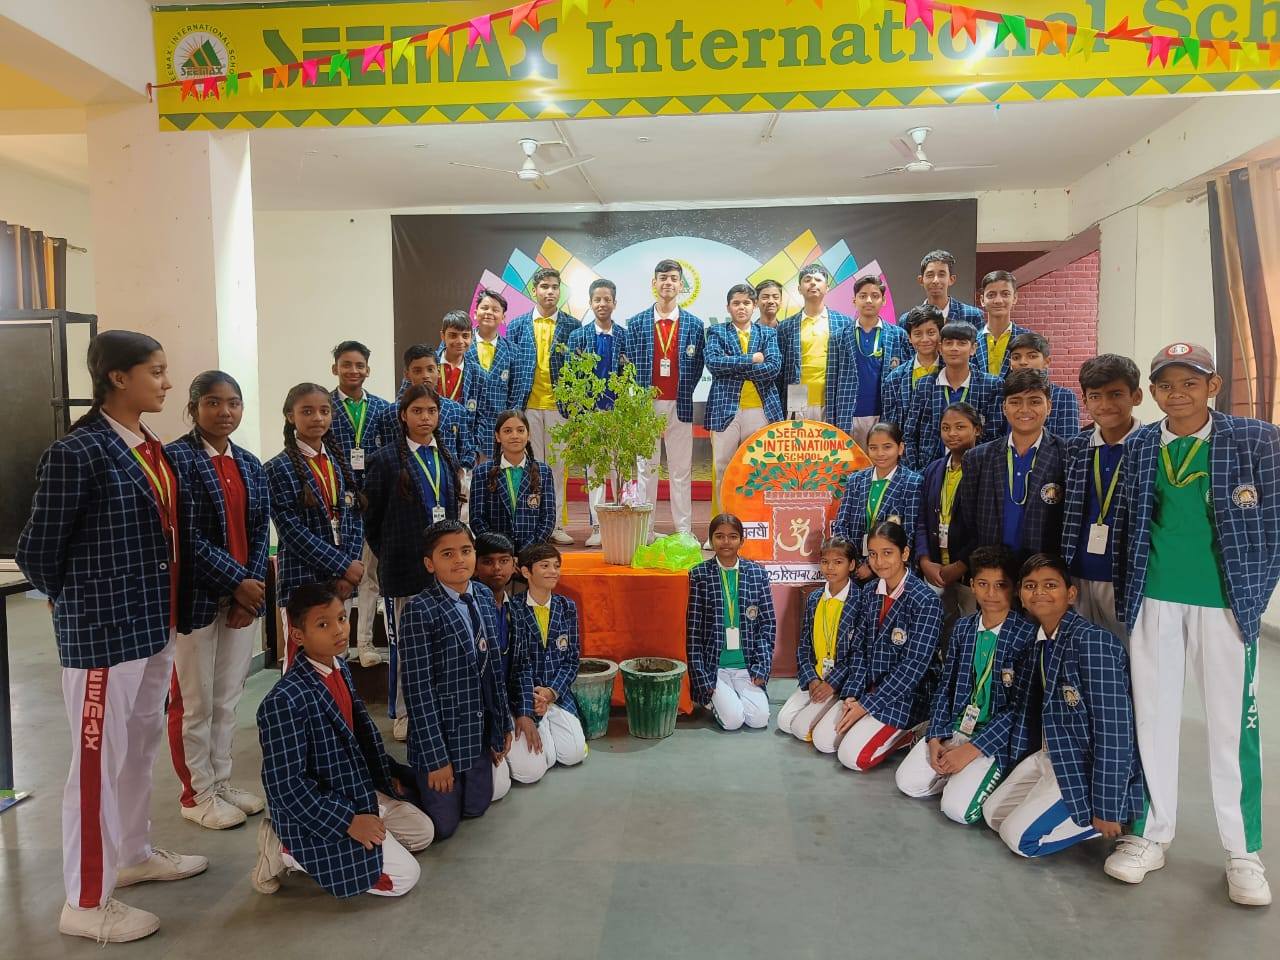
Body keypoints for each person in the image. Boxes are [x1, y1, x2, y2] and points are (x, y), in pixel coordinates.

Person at [17, 330, 207, 943]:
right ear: (118, 378)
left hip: (152, 626)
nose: (167, 383)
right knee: (96, 766)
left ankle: (132, 853)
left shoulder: (149, 447)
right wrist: (77, 604)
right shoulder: (78, 453)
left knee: (137, 749)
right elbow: (36, 552)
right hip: (102, 634)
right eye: (156, 371)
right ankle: (85, 901)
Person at [1107, 342, 1280, 906]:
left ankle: (1243, 851)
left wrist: (1253, 593)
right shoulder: (1140, 445)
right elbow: (1128, 524)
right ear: (1153, 392)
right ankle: (1151, 834)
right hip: (1154, 598)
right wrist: (1129, 596)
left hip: (1224, 602)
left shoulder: (1255, 440)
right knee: (1152, 717)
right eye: (1165, 385)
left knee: (1231, 726)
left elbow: (1275, 524)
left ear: (1213, 386)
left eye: (1189, 383)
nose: (1176, 394)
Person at [252, 583, 433, 899]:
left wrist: (385, 776)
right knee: (405, 877)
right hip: (320, 812)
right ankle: (285, 849)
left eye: (341, 618)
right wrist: (348, 822)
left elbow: (359, 739)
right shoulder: (284, 701)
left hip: (355, 789)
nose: (338, 630)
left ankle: (367, 838)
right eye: (323, 624)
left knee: (422, 833)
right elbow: (286, 787)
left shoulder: (340, 669)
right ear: (298, 636)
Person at [983, 554, 1143, 859]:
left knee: (1021, 840)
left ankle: (1108, 817)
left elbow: (1114, 731)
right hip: (1050, 755)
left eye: (1050, 585)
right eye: (1030, 586)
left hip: (1082, 766)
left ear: (1070, 594)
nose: (1039, 592)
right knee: (993, 815)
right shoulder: (1039, 640)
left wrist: (1107, 807)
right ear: (1021, 596)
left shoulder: (1092, 643)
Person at [165, 371, 270, 830]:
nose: (224, 412)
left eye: (233, 403)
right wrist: (236, 581)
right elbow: (186, 536)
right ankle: (196, 794)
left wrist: (250, 591)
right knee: (195, 702)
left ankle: (221, 781)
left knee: (227, 698)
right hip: (197, 600)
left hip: (241, 600)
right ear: (193, 409)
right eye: (212, 402)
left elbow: (260, 530)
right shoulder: (177, 460)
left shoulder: (248, 463)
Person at [896, 545, 1037, 824]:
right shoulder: (963, 628)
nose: (991, 593)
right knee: (907, 783)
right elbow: (945, 687)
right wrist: (935, 737)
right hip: (957, 727)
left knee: (957, 811)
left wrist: (970, 751)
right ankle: (957, 772)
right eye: (983, 584)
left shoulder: (1028, 636)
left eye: (1000, 585)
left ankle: (976, 775)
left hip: (991, 740)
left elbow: (1020, 710)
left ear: (1015, 588)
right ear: (972, 585)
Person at [397, 521, 513, 840]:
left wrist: (502, 725)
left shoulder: (485, 596)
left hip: (476, 733)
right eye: (447, 554)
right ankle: (396, 778)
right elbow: (418, 691)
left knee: (477, 807)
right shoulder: (420, 610)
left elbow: (494, 669)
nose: (459, 560)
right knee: (443, 826)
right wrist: (437, 760)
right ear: (430, 563)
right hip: (442, 735)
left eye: (465, 551)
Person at [363, 385, 462, 742]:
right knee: (407, 647)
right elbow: (371, 521)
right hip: (404, 569)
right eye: (417, 411)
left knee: (440, 643)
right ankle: (404, 711)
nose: (425, 418)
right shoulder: (385, 460)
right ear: (403, 415)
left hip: (443, 571)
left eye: (431, 411)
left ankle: (436, 708)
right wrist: (393, 552)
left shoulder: (446, 457)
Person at [812, 521, 943, 769]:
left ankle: (910, 732)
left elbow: (913, 668)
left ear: (904, 553)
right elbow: (858, 649)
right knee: (823, 741)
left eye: (887, 553)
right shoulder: (870, 591)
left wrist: (866, 706)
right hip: (867, 688)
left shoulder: (925, 601)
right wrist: (853, 694)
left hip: (906, 695)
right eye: (872, 554)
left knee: (853, 758)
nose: (879, 562)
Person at [264, 383, 366, 668]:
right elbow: (292, 532)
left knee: (337, 657)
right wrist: (342, 565)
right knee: (304, 663)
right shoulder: (277, 468)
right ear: (290, 416)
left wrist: (349, 570)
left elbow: (354, 517)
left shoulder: (339, 462)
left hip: (341, 582)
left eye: (324, 411)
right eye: (307, 411)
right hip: (303, 579)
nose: (317, 418)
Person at [623, 259, 706, 538]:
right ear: (654, 283)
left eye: (673, 278)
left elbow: (697, 366)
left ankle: (683, 531)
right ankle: (644, 531)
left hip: (680, 404)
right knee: (646, 469)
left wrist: (684, 390)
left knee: (681, 471)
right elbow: (630, 365)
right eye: (663, 278)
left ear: (681, 285)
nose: (668, 283)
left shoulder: (694, 324)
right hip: (646, 405)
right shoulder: (637, 323)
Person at [1061, 355, 1142, 639]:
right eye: (1095, 396)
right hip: (1078, 570)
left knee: (1127, 650)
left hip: (1124, 575)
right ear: (1085, 400)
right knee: (1082, 648)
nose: (1105, 404)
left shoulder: (1149, 446)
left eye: (1116, 394)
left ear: (1137, 396)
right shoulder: (1075, 447)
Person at [952, 369, 1067, 567]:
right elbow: (969, 522)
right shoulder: (977, 458)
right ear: (1004, 408)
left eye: (1034, 401)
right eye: (1015, 402)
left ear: (1049, 406)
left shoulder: (1066, 455)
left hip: (1043, 571)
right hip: (992, 571)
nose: (1024, 409)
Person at [329, 341, 394, 669]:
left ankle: (365, 642)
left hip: (371, 500)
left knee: (369, 574)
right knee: (340, 573)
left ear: (368, 369)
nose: (353, 371)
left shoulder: (382, 408)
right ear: (335, 368)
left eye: (359, 365)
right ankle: (338, 644)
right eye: (346, 364)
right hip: (336, 500)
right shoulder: (324, 405)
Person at [506, 266, 579, 545]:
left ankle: (556, 524)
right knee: (532, 466)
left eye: (555, 287)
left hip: (560, 407)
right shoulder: (517, 325)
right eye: (545, 287)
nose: (550, 292)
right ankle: (532, 523)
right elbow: (511, 369)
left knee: (558, 467)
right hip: (527, 407)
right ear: (534, 290)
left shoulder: (572, 326)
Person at [685, 514, 775, 731]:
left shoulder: (757, 574)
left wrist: (761, 669)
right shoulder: (699, 575)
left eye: (733, 536)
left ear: (742, 540)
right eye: (719, 536)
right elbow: (693, 633)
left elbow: (767, 626)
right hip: (715, 668)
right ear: (710, 540)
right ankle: (714, 699)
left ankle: (732, 697)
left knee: (759, 720)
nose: (726, 542)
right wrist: (702, 679)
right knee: (733, 721)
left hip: (747, 667)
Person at [507, 544, 588, 783]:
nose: (553, 571)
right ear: (526, 572)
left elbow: (572, 659)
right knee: (535, 769)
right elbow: (515, 664)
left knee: (573, 755)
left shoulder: (567, 606)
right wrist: (530, 700)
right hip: (526, 697)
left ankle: (552, 721)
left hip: (556, 695)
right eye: (545, 566)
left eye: (556, 566)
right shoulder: (513, 608)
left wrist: (551, 692)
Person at [704, 282, 782, 508]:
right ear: (728, 307)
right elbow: (714, 363)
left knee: (758, 468)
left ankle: (755, 521)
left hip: (761, 410)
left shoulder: (767, 333)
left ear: (754, 305)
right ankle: (724, 521)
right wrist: (751, 359)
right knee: (723, 467)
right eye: (736, 303)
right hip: (725, 410)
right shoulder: (717, 331)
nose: (741, 307)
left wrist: (733, 366)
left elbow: (773, 368)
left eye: (746, 303)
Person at [777, 536, 859, 742]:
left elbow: (858, 653)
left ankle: (833, 708)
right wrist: (811, 678)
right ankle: (820, 708)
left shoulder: (860, 600)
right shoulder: (814, 599)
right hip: (817, 676)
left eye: (838, 562)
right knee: (784, 722)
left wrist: (832, 684)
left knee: (801, 729)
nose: (830, 568)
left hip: (841, 681)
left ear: (851, 565)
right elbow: (804, 646)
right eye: (825, 561)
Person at [566, 278, 626, 548]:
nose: (602, 304)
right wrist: (579, 415)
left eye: (607, 299)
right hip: (590, 415)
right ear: (590, 303)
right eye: (597, 300)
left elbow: (632, 376)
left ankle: (621, 522)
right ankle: (598, 526)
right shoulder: (577, 337)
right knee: (595, 471)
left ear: (615, 303)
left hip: (618, 415)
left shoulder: (625, 336)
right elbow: (571, 378)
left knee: (618, 470)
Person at [902, 320, 1002, 471]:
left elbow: (995, 436)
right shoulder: (925, 385)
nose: (954, 348)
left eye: (962, 343)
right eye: (949, 343)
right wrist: (917, 472)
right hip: (930, 471)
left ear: (973, 348)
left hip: (976, 470)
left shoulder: (991, 385)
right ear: (940, 348)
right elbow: (910, 434)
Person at [915, 402, 983, 621]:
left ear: (977, 429)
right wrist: (924, 561)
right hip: (936, 569)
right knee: (940, 627)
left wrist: (961, 565)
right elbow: (922, 520)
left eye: (960, 427)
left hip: (970, 572)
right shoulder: (933, 469)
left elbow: (986, 526)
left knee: (969, 626)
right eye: (946, 428)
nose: (952, 433)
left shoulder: (986, 468)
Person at [831, 422, 921, 582]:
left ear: (900, 448)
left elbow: (909, 532)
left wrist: (872, 565)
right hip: (854, 568)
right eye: (873, 448)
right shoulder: (855, 480)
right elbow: (841, 525)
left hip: (892, 570)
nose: (880, 453)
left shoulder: (913, 482)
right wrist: (855, 562)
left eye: (887, 447)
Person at [832, 275, 910, 449]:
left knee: (881, 461)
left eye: (875, 296)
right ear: (854, 301)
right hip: (848, 415)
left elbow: (905, 382)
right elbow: (832, 383)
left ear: (883, 300)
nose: (868, 300)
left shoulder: (898, 335)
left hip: (884, 414)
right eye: (863, 296)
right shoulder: (839, 337)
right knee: (850, 463)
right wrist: (832, 420)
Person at [469, 410, 557, 553]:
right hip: (495, 554)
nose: (514, 436)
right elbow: (477, 519)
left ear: (528, 435)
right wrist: (502, 551)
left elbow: (548, 518)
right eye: (508, 431)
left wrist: (526, 552)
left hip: (531, 553)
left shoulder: (543, 471)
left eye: (520, 430)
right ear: (498, 436)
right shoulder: (482, 472)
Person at [473, 532, 519, 802]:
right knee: (495, 791)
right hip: (480, 714)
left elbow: (522, 666)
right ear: (475, 566)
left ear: (514, 565)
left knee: (531, 769)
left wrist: (524, 713)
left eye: (504, 561)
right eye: (488, 562)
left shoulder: (516, 608)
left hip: (507, 705)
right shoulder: (470, 609)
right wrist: (493, 728)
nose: (497, 569)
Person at [776, 262, 849, 422]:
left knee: (829, 438)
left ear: (827, 287)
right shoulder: (786, 326)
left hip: (831, 394)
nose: (813, 283)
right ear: (799, 288)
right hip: (797, 394)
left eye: (818, 279)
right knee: (799, 437)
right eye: (807, 280)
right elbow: (780, 371)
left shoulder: (844, 323)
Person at [401, 344, 476, 482]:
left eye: (430, 369)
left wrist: (463, 471)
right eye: (417, 371)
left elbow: (467, 450)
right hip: (407, 483)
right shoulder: (393, 412)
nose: (425, 376)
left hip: (448, 483)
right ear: (407, 374)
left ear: (438, 370)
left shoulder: (456, 410)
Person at [1006, 332, 1082, 440]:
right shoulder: (1002, 393)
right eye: (1016, 357)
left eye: (1032, 356)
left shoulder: (1064, 396)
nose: (1023, 362)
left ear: (1047, 362)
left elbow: (1069, 443)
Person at [469, 288, 515, 462]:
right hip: (465, 427)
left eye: (495, 310)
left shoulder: (512, 352)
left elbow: (516, 394)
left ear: (503, 317)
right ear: (475, 313)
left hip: (496, 431)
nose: (489, 312)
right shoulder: (459, 345)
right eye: (485, 308)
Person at [881, 303, 943, 430]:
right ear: (909, 337)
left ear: (940, 334)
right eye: (918, 334)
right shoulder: (894, 379)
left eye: (931, 332)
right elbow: (890, 425)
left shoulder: (952, 371)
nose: (925, 339)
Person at [899, 249, 984, 327]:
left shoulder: (973, 315)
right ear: (921, 280)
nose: (935, 280)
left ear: (951, 279)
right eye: (930, 275)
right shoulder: (907, 320)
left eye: (941, 275)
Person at [973, 270, 1032, 378]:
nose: (998, 300)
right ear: (982, 300)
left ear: (1014, 298)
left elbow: (1038, 380)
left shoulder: (1029, 339)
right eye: (991, 295)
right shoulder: (971, 341)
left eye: (1005, 294)